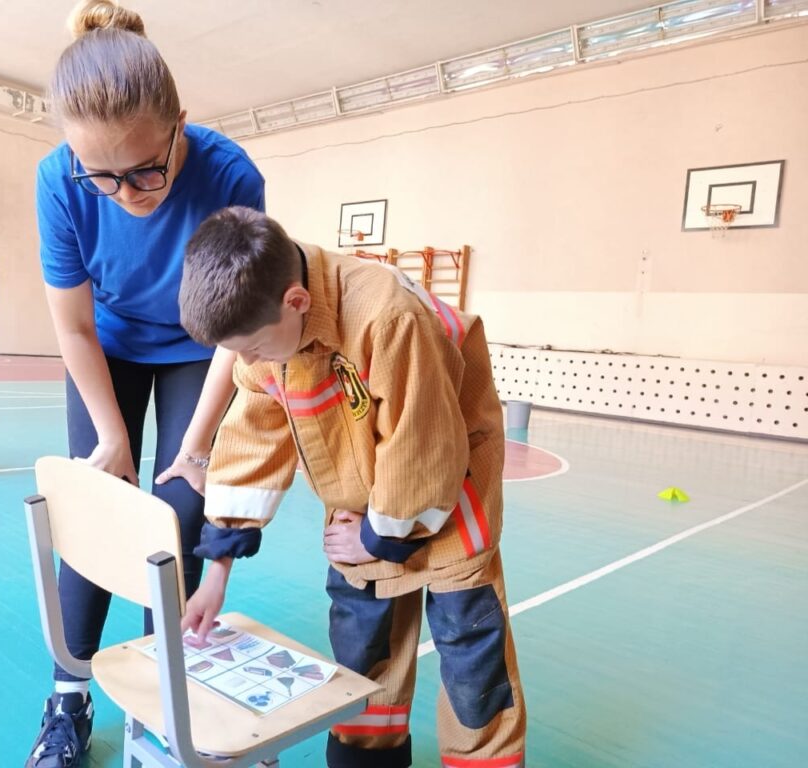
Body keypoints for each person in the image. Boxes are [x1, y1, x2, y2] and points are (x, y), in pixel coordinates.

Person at [177, 207, 526, 768]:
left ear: (296, 302)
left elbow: (424, 447)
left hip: (451, 492)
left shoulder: (388, 318)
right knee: (364, 654)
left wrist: (375, 538)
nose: (245, 365)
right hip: (365, 502)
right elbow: (250, 445)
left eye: (254, 349)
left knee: (471, 656)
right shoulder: (269, 340)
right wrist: (216, 573)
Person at [26, 1, 265, 766]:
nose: (128, 193)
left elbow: (238, 328)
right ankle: (69, 692)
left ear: (180, 125)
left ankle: (165, 676)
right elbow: (72, 326)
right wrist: (112, 436)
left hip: (202, 343)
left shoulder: (229, 175)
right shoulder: (57, 182)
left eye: (146, 170)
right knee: (96, 508)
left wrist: (194, 451)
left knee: (180, 509)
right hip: (112, 346)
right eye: (104, 177)